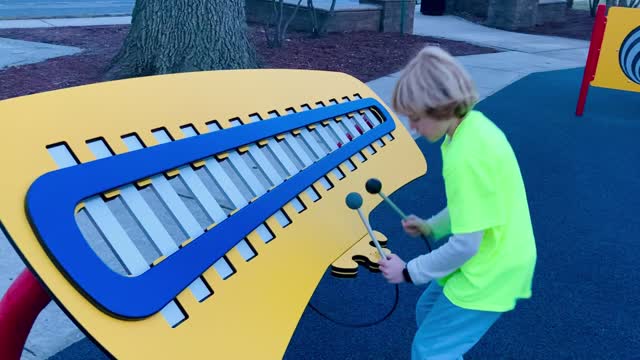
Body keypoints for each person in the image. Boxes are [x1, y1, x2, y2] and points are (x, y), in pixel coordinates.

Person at [378, 46, 537, 359]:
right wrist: (432, 226)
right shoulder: (471, 129)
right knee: (428, 312)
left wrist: (408, 271)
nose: (413, 128)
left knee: (429, 350)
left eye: (415, 118)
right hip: (494, 257)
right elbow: (475, 205)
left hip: (491, 270)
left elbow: (466, 246)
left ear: (439, 107)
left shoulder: (465, 156)